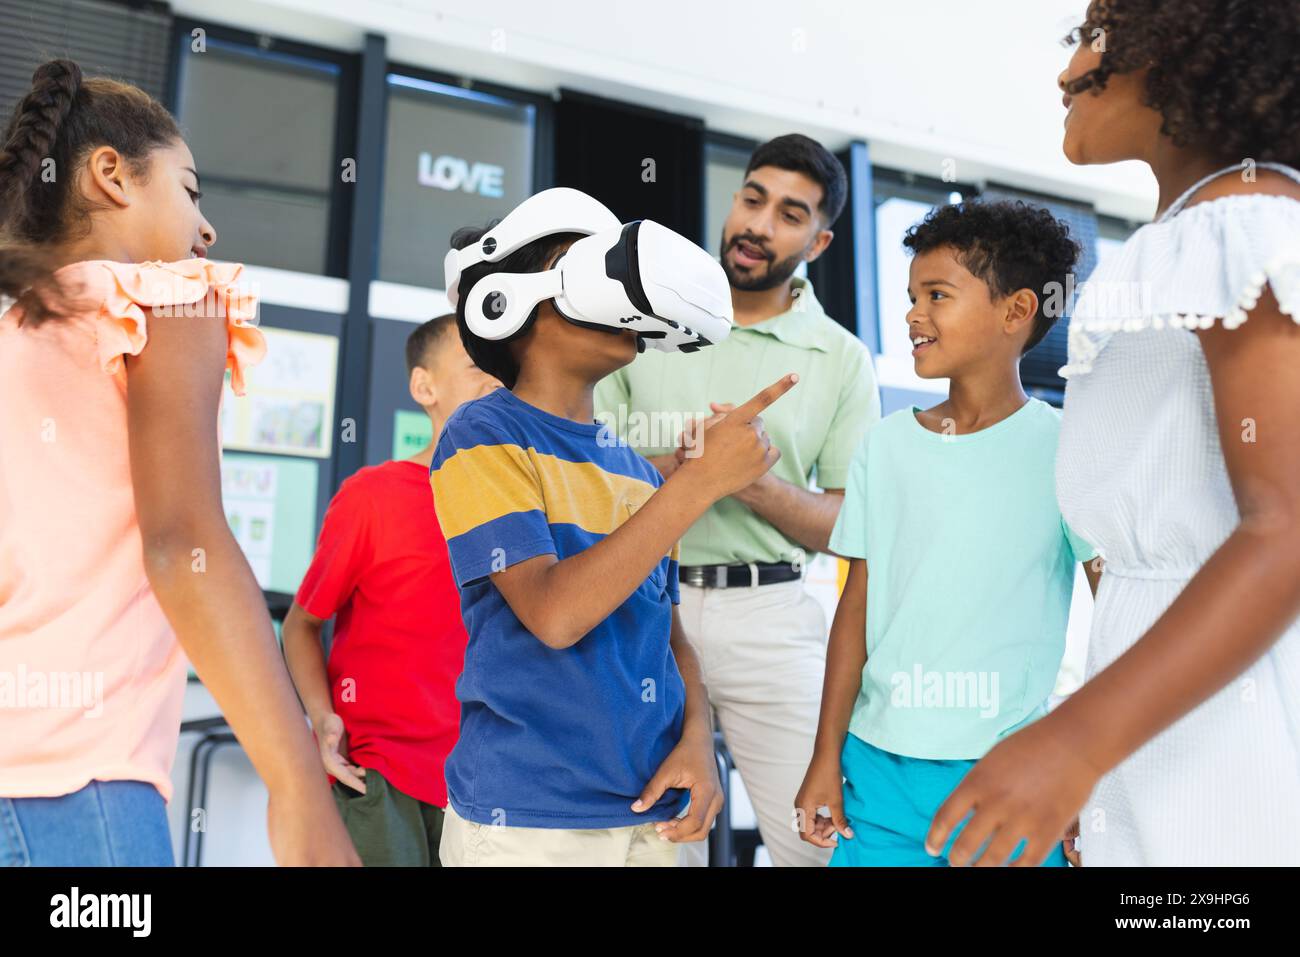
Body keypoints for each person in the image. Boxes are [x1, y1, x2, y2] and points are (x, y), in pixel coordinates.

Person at [928, 0, 1300, 866]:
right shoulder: (1189, 233)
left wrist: (1078, 744)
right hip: (1169, 704)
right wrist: (1098, 761)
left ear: (1184, 49)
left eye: (1091, 39)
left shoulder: (1242, 227)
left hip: (1231, 717)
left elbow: (1287, 525)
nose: (1066, 71)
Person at [0, 59, 357, 866]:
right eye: (191, 190)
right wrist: (300, 789)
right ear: (110, 177)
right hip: (79, 782)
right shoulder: (168, 296)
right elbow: (181, 541)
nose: (207, 229)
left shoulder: (14, 337)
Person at [430, 190, 797, 865]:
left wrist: (699, 741)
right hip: (529, 822)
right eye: (586, 270)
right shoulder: (482, 435)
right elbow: (554, 611)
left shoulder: (635, 469)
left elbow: (670, 636)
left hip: (654, 815)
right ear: (511, 302)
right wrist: (700, 482)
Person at [595, 133, 879, 866]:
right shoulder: (646, 323)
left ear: (819, 241)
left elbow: (853, 525)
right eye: (752, 199)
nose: (759, 224)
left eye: (789, 214)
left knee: (820, 844)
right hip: (642, 608)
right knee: (654, 844)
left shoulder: (843, 359)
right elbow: (589, 481)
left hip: (771, 617)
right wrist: (696, 465)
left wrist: (752, 481)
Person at [795, 200, 1100, 866]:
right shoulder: (886, 447)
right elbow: (855, 610)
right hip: (877, 774)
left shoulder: (1068, 447)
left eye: (937, 294)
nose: (913, 313)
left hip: (1011, 777)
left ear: (1017, 311)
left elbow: (1120, 608)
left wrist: (1087, 765)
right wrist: (825, 754)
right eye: (911, 295)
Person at [282, 315, 499, 866]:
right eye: (477, 367)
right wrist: (321, 716)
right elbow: (302, 624)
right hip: (378, 777)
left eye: (505, 367)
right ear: (425, 388)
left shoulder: (523, 507)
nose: (497, 380)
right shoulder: (372, 498)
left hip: (489, 784)